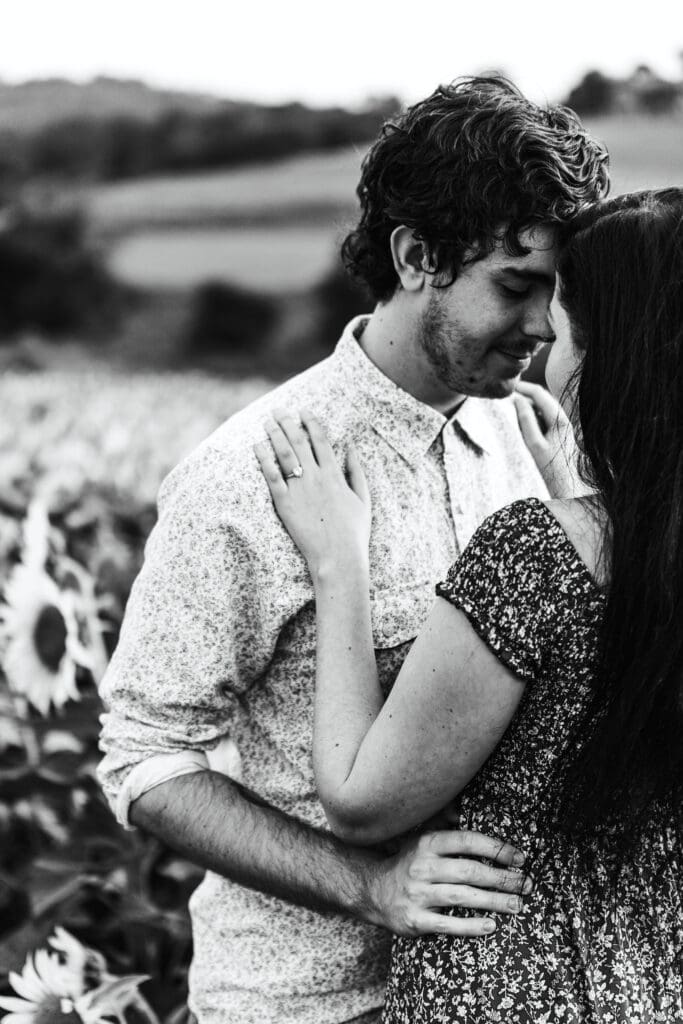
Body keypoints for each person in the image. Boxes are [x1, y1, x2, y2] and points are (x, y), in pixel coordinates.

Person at [97, 77, 608, 1024]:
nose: (542, 328)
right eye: (515, 284)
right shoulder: (248, 473)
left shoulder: (528, 439)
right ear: (417, 257)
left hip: (497, 995)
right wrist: (363, 883)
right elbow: (146, 759)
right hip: (307, 1002)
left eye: (557, 293)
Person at [256, 187, 683, 1022]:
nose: (543, 352)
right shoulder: (636, 551)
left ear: (611, 357)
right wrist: (589, 495)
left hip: (512, 986)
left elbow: (358, 795)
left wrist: (338, 564)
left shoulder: (535, 557)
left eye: (560, 332)